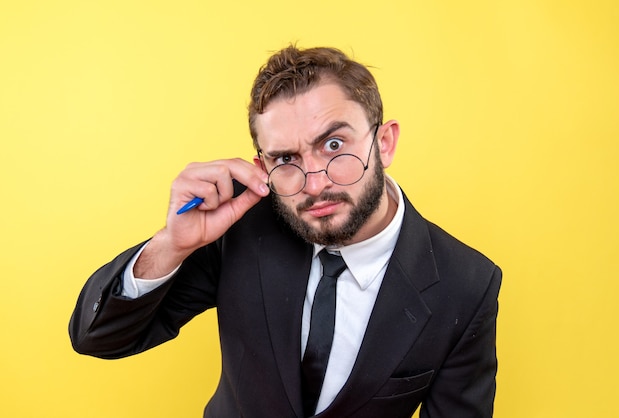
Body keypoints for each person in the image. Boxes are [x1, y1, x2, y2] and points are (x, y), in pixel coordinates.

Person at [69, 45, 502, 418]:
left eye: (334, 145)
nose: (314, 183)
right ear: (262, 168)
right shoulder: (240, 229)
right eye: (286, 159)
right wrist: (172, 244)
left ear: (384, 142)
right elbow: (99, 338)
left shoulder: (467, 284)